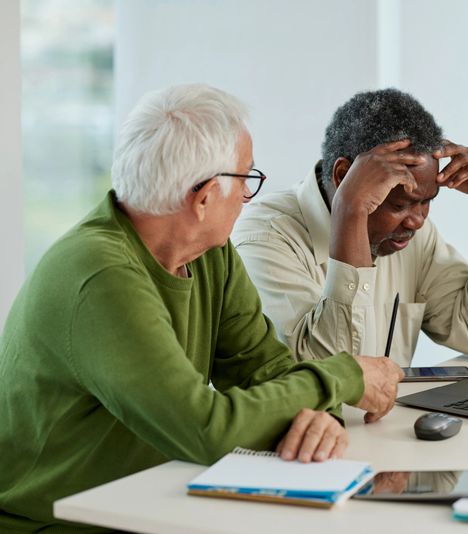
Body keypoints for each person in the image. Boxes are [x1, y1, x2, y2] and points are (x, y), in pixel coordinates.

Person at [0, 84, 403, 533]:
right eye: (247, 178)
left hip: (155, 503)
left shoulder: (209, 253)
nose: (250, 195)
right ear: (206, 196)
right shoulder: (98, 274)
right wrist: (343, 378)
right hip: (60, 523)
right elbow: (206, 430)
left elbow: (266, 370)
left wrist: (317, 417)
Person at [232, 88, 468, 366]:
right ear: (344, 176)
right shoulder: (265, 238)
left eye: (426, 202)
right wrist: (351, 212)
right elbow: (337, 377)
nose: (417, 220)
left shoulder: (412, 237)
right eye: (399, 205)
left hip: (393, 417)